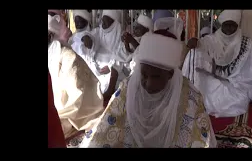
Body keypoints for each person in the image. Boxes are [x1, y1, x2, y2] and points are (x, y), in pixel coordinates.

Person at [79, 30, 217, 148]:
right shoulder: (128, 87)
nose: (148, 83)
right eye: (144, 75)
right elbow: (105, 131)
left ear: (170, 74)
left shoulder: (190, 98)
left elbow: (198, 139)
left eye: (156, 77)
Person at [186, 10, 252, 118]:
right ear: (221, 25)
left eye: (232, 25)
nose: (229, 29)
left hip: (235, 85)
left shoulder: (246, 44)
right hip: (213, 83)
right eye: (226, 25)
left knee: (239, 100)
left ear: (237, 26)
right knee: (195, 55)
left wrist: (234, 80)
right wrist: (196, 42)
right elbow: (203, 44)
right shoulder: (212, 39)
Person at [48, 18, 105, 139]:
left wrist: (55, 117)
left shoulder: (68, 57)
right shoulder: (51, 55)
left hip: (73, 116)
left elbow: (77, 99)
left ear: (50, 36)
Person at [81, 10, 132, 103]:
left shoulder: (120, 35)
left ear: (114, 23)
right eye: (102, 21)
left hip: (114, 71)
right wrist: (87, 38)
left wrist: (109, 66)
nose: (103, 24)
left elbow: (120, 55)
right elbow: (91, 34)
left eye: (106, 21)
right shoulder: (100, 30)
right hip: (98, 69)